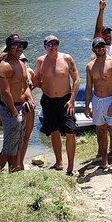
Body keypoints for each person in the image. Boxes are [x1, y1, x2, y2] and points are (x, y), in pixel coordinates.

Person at [35, 34, 81, 175]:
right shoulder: (41, 61)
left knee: (70, 132)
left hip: (65, 100)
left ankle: (71, 167)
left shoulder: (66, 58)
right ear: (45, 46)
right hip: (48, 100)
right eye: (50, 44)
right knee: (54, 131)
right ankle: (59, 162)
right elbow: (37, 80)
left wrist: (72, 100)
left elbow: (76, 79)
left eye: (55, 44)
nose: (53, 47)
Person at [0, 34, 34, 172]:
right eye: (15, 45)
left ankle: (14, 171)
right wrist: (13, 112)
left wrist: (28, 99)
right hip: (9, 109)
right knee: (8, 146)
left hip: (21, 107)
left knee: (18, 144)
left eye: (21, 45)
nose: (19, 48)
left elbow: (24, 86)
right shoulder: (4, 67)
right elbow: (5, 93)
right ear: (9, 48)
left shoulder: (21, 63)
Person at [85, 37, 112, 171]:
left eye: (102, 46)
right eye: (97, 47)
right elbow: (89, 87)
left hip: (110, 99)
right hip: (97, 101)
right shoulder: (90, 66)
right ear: (93, 49)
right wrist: (87, 106)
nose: (100, 49)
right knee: (100, 132)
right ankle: (104, 161)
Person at [17, 53, 36, 170]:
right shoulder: (11, 72)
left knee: (27, 136)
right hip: (18, 107)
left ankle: (21, 162)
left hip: (29, 108)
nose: (22, 61)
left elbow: (32, 86)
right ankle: (15, 163)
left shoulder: (30, 72)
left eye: (24, 59)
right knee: (18, 137)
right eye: (20, 59)